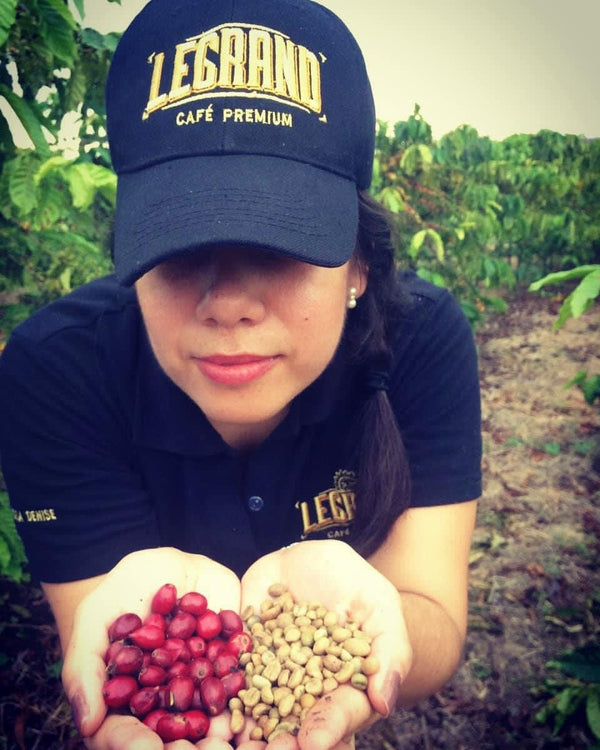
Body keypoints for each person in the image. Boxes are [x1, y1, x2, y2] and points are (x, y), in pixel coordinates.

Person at [0, 0, 482, 748]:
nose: (227, 304)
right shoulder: (55, 371)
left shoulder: (423, 339)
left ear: (358, 263)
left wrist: (372, 629)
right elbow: (118, 658)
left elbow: (434, 616)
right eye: (179, 245)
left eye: (279, 247)